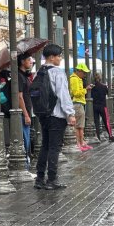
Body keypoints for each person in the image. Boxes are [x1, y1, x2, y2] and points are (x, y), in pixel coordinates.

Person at [35, 44, 76, 190]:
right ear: (51, 57)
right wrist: (70, 113)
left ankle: (39, 178)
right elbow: (63, 94)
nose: (60, 58)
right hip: (56, 115)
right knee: (54, 148)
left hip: (43, 115)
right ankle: (52, 179)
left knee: (45, 146)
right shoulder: (58, 73)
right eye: (59, 56)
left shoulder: (39, 72)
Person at [69, 63, 93, 152]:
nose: (84, 75)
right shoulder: (74, 79)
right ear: (79, 71)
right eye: (83, 73)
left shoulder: (77, 79)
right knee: (78, 126)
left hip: (79, 103)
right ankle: (79, 144)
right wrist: (85, 89)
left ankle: (81, 143)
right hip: (77, 103)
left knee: (80, 125)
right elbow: (76, 93)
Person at [90, 73, 114, 143]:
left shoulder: (92, 87)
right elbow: (108, 93)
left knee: (96, 122)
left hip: (94, 106)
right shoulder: (104, 86)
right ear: (100, 78)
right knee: (106, 121)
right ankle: (110, 136)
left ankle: (98, 137)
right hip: (102, 106)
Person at [18, 54, 34, 168]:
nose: (31, 61)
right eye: (29, 59)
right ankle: (25, 165)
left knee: (26, 138)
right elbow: (19, 96)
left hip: (27, 111)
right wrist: (26, 114)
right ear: (22, 61)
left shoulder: (25, 75)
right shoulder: (19, 76)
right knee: (25, 139)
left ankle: (26, 164)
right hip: (24, 113)